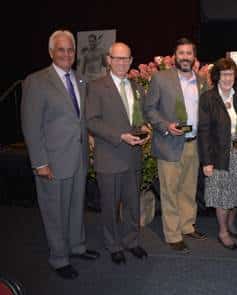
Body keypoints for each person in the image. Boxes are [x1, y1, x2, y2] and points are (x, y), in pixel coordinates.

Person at [21, 30, 99, 280]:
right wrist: (39, 162)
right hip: (52, 161)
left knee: (76, 206)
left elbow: (79, 119)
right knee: (54, 211)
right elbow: (30, 126)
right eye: (61, 49)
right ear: (51, 52)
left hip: (77, 158)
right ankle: (59, 257)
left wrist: (89, 138)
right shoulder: (36, 81)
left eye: (71, 50)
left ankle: (76, 246)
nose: (67, 54)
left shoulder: (80, 79)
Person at [86, 42, 149, 265]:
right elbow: (91, 121)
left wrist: (145, 130)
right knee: (110, 207)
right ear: (108, 60)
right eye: (117, 58)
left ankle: (132, 241)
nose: (122, 62)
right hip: (110, 157)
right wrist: (120, 135)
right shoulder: (96, 87)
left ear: (131, 61)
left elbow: (139, 118)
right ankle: (113, 245)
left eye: (126, 58)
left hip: (133, 157)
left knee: (133, 205)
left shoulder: (137, 87)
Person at [143, 38, 208, 253]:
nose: (185, 57)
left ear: (194, 57)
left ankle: (187, 225)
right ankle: (172, 235)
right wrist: (165, 125)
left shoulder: (201, 81)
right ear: (174, 56)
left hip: (194, 144)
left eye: (189, 53)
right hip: (169, 142)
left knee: (189, 189)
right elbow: (149, 109)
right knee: (170, 191)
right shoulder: (161, 78)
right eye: (181, 53)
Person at [198, 57, 237, 250]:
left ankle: (232, 223)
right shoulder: (208, 97)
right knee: (222, 195)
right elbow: (204, 131)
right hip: (218, 154)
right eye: (223, 74)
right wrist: (206, 161)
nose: (227, 78)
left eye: (231, 74)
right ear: (217, 76)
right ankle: (223, 231)